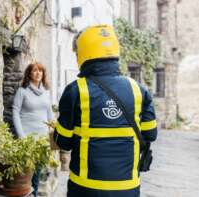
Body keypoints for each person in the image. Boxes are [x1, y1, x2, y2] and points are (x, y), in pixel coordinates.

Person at [53, 24, 158, 197]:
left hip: (85, 188)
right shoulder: (138, 89)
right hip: (127, 188)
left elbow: (63, 142)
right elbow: (150, 135)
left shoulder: (76, 90)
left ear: (83, 54)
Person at [12, 62, 54, 197]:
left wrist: (53, 134)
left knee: (37, 172)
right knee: (25, 173)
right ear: (29, 74)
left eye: (40, 71)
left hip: (42, 138)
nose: (38, 73)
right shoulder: (22, 91)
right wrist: (21, 135)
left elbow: (50, 113)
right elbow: (15, 112)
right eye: (35, 71)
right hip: (26, 137)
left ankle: (34, 194)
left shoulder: (46, 91)